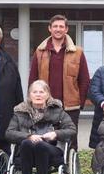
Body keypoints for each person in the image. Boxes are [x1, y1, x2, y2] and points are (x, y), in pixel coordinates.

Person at [5, 80, 76, 174]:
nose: (38, 95)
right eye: (35, 92)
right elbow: (9, 133)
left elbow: (71, 129)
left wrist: (55, 134)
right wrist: (28, 136)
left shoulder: (57, 111)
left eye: (41, 92)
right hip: (26, 152)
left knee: (41, 145)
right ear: (29, 95)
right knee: (27, 143)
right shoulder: (20, 112)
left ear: (47, 94)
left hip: (51, 150)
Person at [29, 15, 90, 150]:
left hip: (70, 107)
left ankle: (71, 168)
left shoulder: (78, 52)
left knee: (71, 140)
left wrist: (79, 102)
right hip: (45, 105)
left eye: (61, 26)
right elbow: (33, 79)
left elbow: (84, 80)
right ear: (49, 29)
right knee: (45, 138)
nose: (58, 29)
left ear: (66, 29)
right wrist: (33, 101)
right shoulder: (40, 52)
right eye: (55, 26)